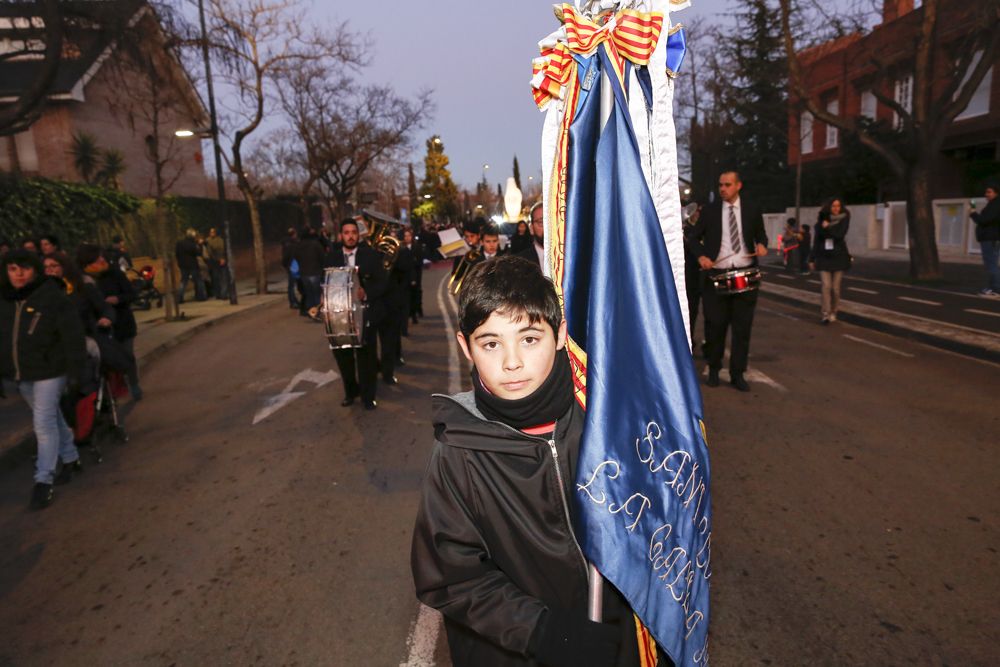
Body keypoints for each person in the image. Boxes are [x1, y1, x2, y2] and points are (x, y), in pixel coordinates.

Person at [411, 256, 661, 667]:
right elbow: (449, 576)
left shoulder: (604, 426)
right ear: (466, 347)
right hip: (519, 652)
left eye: (529, 339)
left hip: (619, 643)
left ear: (560, 335)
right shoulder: (458, 453)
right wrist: (543, 631)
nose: (512, 362)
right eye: (491, 344)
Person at [1, 249, 87, 509]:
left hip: (51, 370)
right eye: (13, 269)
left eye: (24, 268)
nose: (18, 274)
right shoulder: (5, 300)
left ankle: (43, 480)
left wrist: (76, 372)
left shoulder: (51, 297)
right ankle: (71, 458)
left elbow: (73, 337)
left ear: (35, 270)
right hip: (23, 374)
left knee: (43, 422)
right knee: (51, 416)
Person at [686, 170, 768, 392]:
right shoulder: (710, 211)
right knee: (715, 326)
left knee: (742, 329)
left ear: (738, 186)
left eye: (727, 185)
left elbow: (761, 234)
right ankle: (714, 369)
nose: (723, 189)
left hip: (745, 276)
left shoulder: (752, 209)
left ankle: (737, 374)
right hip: (717, 276)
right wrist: (701, 257)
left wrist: (762, 245)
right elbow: (693, 238)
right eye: (720, 185)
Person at [323, 219, 391, 410]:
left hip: (366, 314)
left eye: (354, 232)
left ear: (358, 235)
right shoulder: (331, 257)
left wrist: (366, 292)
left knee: (366, 359)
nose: (350, 236)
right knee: (343, 357)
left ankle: (368, 397)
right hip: (340, 317)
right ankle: (351, 392)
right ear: (341, 236)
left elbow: (382, 282)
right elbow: (325, 282)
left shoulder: (370, 255)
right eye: (346, 233)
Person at [77, 244, 143, 400]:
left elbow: (131, 294)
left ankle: (133, 383)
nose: (102, 260)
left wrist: (118, 299)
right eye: (97, 258)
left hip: (122, 323)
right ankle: (110, 392)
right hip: (99, 329)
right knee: (104, 363)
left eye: (102, 256)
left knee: (126, 355)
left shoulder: (115, 273)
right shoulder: (81, 281)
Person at [810, 198, 852, 324]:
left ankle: (834, 311)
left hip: (839, 257)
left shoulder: (844, 219)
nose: (836, 208)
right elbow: (816, 242)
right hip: (824, 257)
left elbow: (839, 235)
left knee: (835, 289)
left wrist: (828, 227)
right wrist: (812, 258)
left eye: (838, 206)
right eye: (833, 206)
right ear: (828, 207)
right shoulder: (820, 223)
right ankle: (825, 314)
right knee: (826, 286)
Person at [970, 183, 1000, 297]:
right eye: (986, 192)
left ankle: (997, 289)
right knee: (992, 264)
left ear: (996, 193)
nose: (986, 194)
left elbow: (984, 220)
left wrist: (973, 214)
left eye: (989, 192)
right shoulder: (993, 204)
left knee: (991, 265)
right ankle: (992, 288)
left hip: (990, 238)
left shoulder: (996, 205)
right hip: (991, 238)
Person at [292, 226, 326, 317]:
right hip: (315, 271)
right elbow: (322, 257)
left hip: (304, 273)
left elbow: (296, 257)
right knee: (317, 293)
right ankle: (318, 311)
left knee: (309, 293)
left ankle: (311, 311)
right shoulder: (315, 244)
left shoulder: (298, 246)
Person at [175, 228, 207, 303]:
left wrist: (179, 263)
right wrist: (200, 245)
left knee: (183, 281)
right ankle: (201, 296)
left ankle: (179, 298)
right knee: (199, 280)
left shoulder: (179, 243)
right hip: (193, 265)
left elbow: (177, 254)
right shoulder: (192, 244)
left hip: (183, 265)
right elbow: (198, 253)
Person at [402, 227, 424, 324]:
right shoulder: (402, 247)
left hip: (416, 273)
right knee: (407, 295)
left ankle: (416, 312)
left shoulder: (417, 247)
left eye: (409, 236)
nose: (407, 238)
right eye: (405, 236)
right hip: (406, 275)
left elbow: (420, 260)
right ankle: (409, 314)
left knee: (416, 293)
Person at [516, 202, 545, 269]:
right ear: (531, 228)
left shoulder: (569, 258)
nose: (549, 227)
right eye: (541, 222)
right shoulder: (519, 263)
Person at [204, 227, 228, 300]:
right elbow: (210, 252)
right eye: (211, 232)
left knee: (223, 278)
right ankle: (218, 294)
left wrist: (222, 258)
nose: (212, 233)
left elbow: (223, 249)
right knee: (216, 278)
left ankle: (223, 294)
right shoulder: (207, 241)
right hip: (214, 262)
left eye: (213, 232)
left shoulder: (220, 240)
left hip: (220, 260)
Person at [281, 227, 300, 309]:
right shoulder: (293, 244)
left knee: (292, 285)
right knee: (293, 285)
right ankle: (293, 302)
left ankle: (294, 300)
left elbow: (285, 257)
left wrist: (285, 265)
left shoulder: (286, 244)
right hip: (294, 265)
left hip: (290, 265)